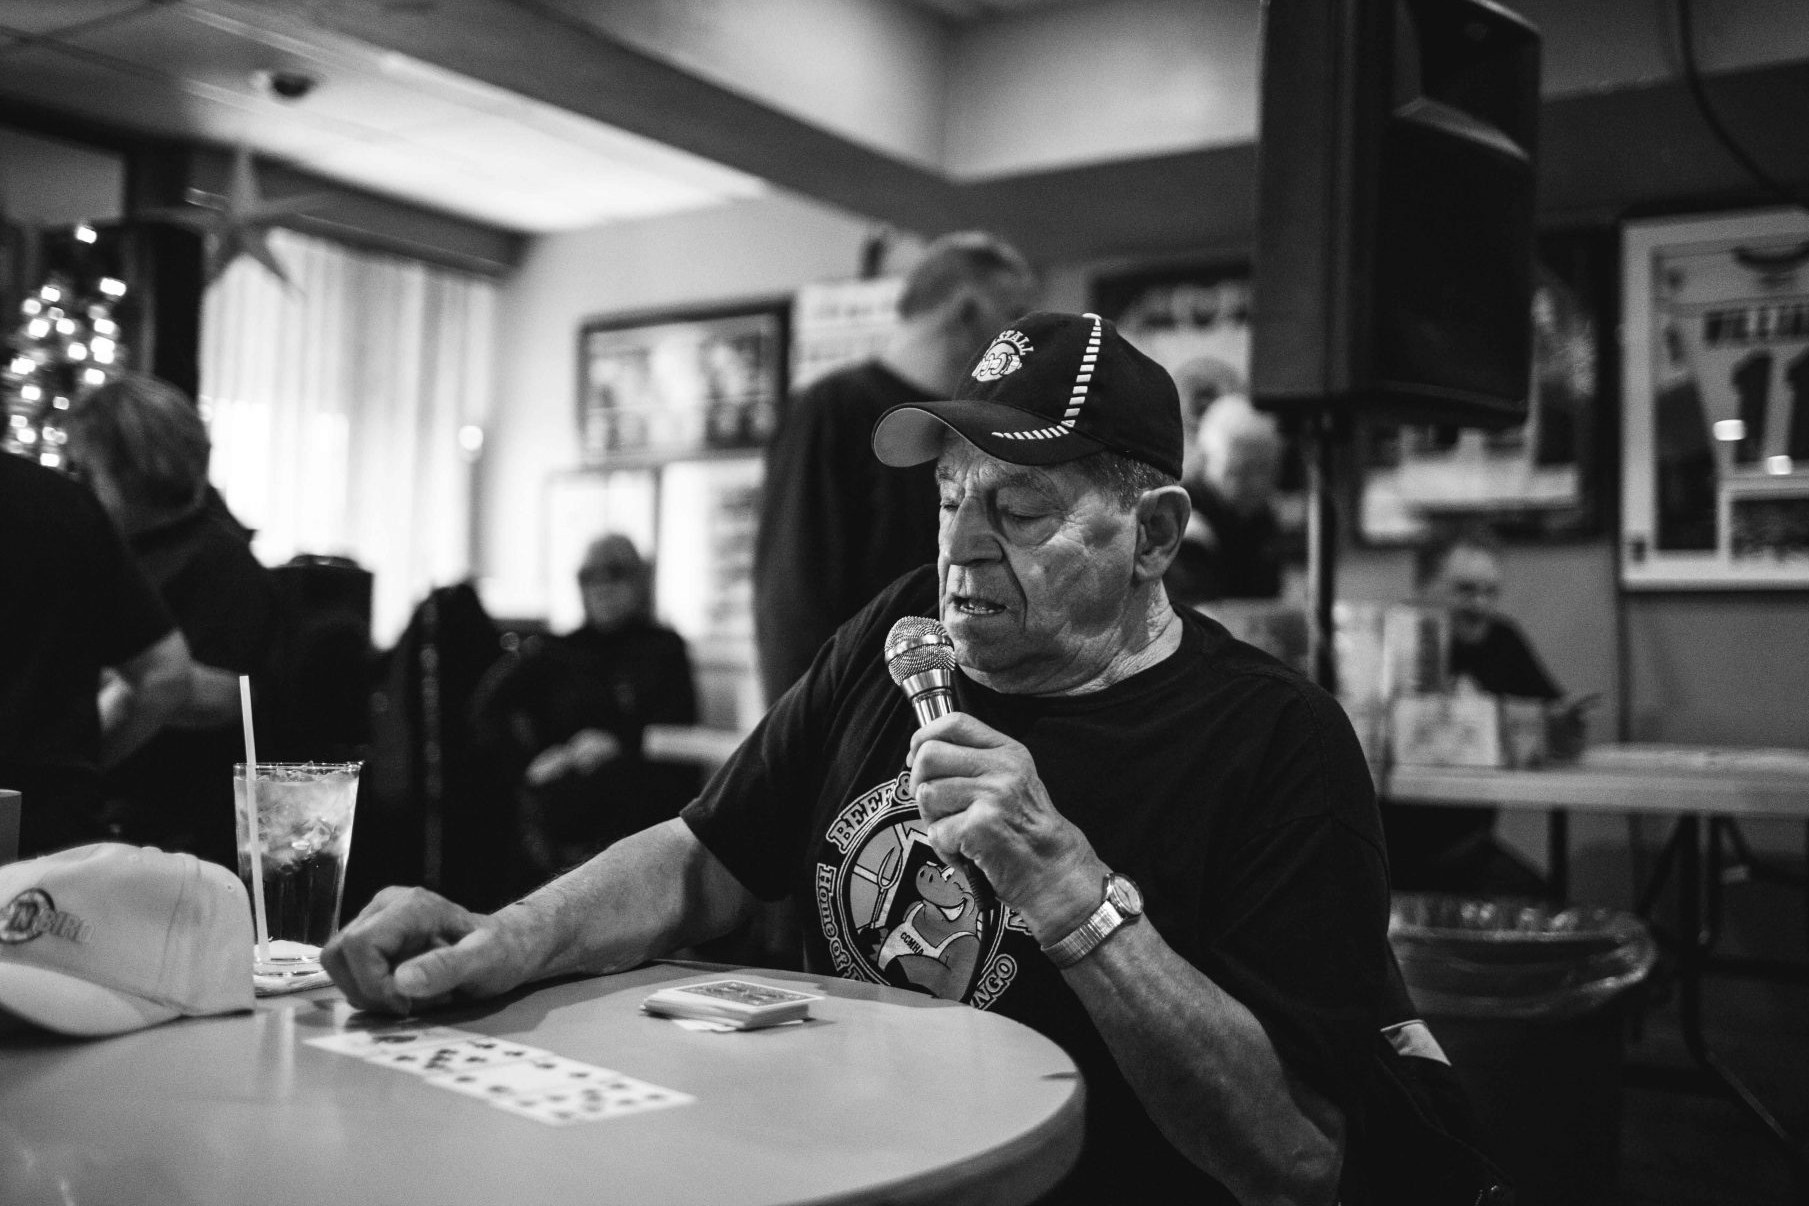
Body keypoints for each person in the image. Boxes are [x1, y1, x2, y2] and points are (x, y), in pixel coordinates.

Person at [325, 312, 1390, 1205]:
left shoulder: (1276, 741)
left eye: (1019, 509)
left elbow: (1297, 1156)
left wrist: (1076, 897)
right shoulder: (893, 631)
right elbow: (706, 853)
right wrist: (504, 932)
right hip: (823, 1168)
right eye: (949, 497)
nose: (962, 545)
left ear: (1153, 536)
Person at [752, 231, 1035, 704]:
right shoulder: (833, 410)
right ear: (966, 312)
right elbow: (793, 599)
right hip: (858, 721)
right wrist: (805, 747)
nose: (1019, 343)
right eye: (1011, 319)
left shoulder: (974, 431)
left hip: (949, 711)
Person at [65, 374, 284, 864]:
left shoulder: (221, 566)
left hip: (173, 841)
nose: (76, 485)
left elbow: (222, 697)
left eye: (85, 471)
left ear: (133, 468)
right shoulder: (130, 552)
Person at [475, 534, 700, 884]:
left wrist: (622, 743)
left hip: (640, 798)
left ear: (638, 581)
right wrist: (530, 760)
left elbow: (678, 731)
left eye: (615, 574)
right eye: (589, 577)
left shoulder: (664, 649)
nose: (602, 587)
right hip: (562, 800)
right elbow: (489, 706)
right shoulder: (559, 650)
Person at [0, 450, 191, 856]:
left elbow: (185, 681)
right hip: (51, 829)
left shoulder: (214, 561)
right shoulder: (62, 502)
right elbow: (167, 673)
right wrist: (75, 764)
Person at [1380, 525, 1585, 896]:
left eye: (1491, 592)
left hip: (1465, 848)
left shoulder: (1502, 640)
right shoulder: (1383, 642)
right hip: (1382, 853)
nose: (1481, 606)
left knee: (1548, 910)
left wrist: (1562, 725)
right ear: (1422, 588)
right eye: (1465, 590)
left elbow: (1553, 716)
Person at [1165, 394, 1303, 605]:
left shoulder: (1260, 518)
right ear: (1205, 461)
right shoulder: (1182, 518)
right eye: (1243, 469)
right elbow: (1199, 619)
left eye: (1265, 468)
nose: (1257, 483)